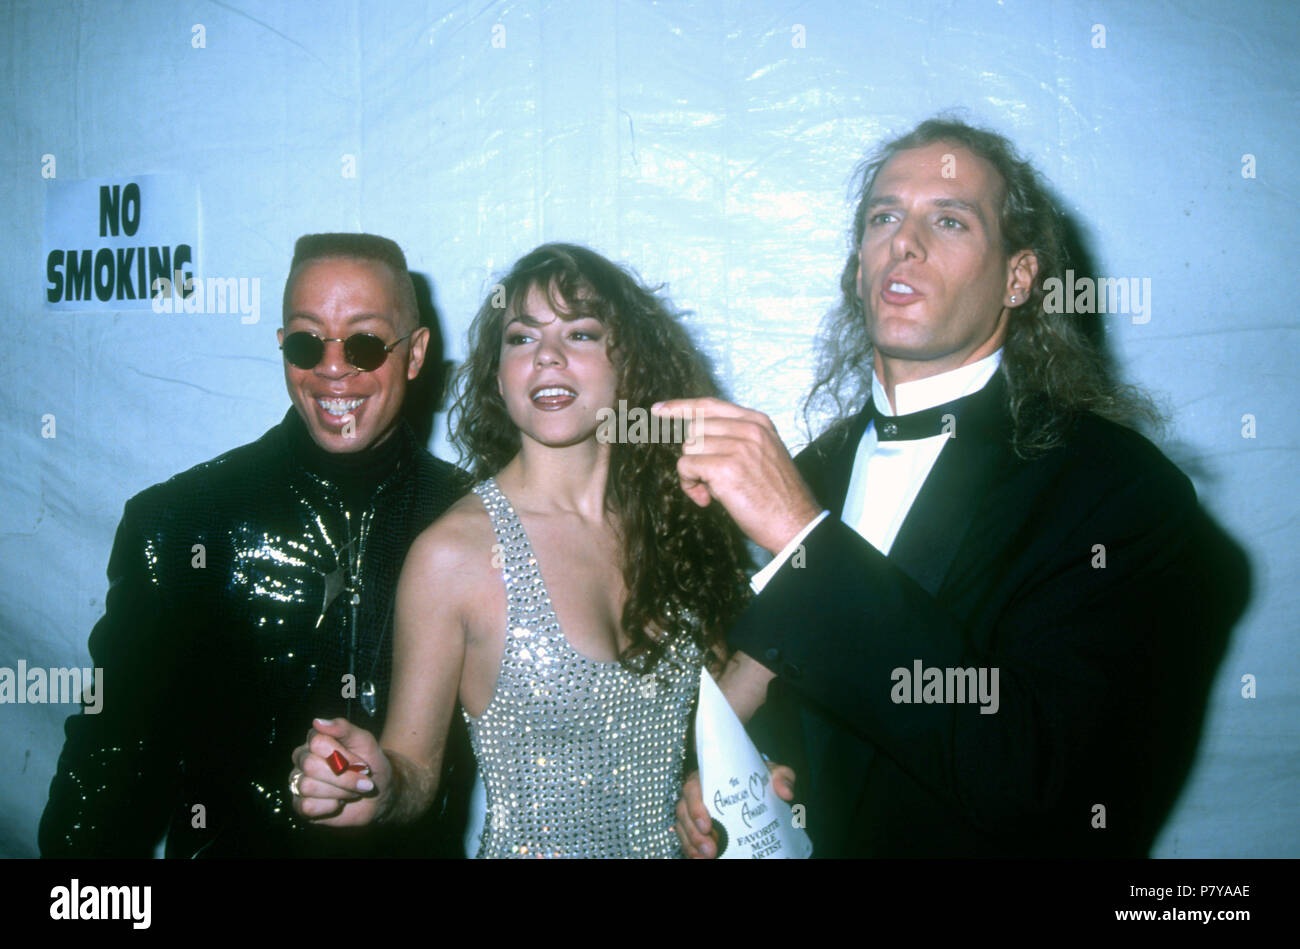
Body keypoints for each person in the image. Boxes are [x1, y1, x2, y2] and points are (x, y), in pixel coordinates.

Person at [666, 118, 1247, 857]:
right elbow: (774, 694)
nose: (903, 242)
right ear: (858, 266)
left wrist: (804, 536)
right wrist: (722, 776)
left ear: (1019, 276)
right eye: (884, 217)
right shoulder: (814, 470)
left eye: (948, 220)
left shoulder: (1120, 489)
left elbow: (1036, 780)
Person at [289, 242, 756, 857]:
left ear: (630, 364)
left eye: (582, 334)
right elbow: (415, 774)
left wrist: (732, 787)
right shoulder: (453, 553)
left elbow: (725, 706)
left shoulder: (677, 520)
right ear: (499, 375)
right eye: (522, 338)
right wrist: (374, 784)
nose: (549, 357)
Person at [39, 233, 471, 857]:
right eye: (305, 342)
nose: (332, 366)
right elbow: (109, 765)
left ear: (415, 353)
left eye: (366, 342)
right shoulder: (182, 524)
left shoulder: (477, 526)